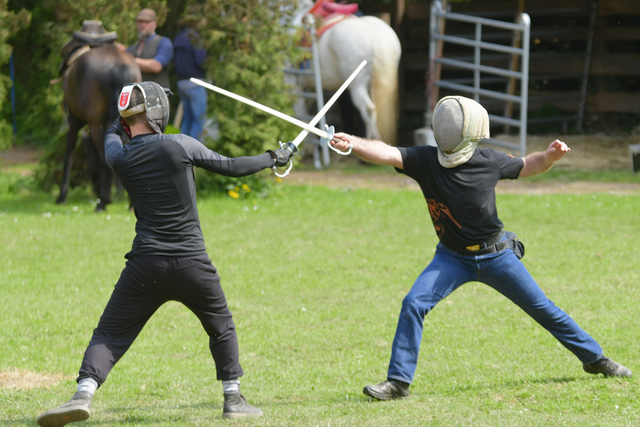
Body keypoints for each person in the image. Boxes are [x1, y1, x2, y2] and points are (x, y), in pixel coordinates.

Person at [330, 95, 632, 401]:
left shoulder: (488, 161)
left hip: (496, 255)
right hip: (451, 258)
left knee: (543, 309)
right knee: (414, 303)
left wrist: (550, 155)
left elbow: (529, 164)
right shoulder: (424, 160)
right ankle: (398, 382)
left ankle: (596, 360)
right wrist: (352, 142)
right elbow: (384, 151)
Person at [36, 82, 293, 426]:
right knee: (221, 327)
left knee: (109, 335)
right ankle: (233, 397)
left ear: (127, 119)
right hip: (192, 265)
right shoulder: (180, 144)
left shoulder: (119, 156)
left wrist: (123, 116)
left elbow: (114, 130)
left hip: (145, 266)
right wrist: (274, 157)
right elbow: (232, 166)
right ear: (158, 112)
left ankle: (83, 393)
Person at [173, 23, 208, 139]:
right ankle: (194, 153)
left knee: (187, 119)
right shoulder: (195, 38)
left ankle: (182, 150)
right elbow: (201, 61)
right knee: (198, 121)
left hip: (182, 82)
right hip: (195, 82)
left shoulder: (179, 38)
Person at [126, 8, 173, 88]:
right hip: (137, 94)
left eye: (147, 22)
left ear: (154, 24)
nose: (143, 25)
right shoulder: (133, 47)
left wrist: (129, 59)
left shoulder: (164, 42)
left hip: (158, 94)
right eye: (140, 22)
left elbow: (156, 66)